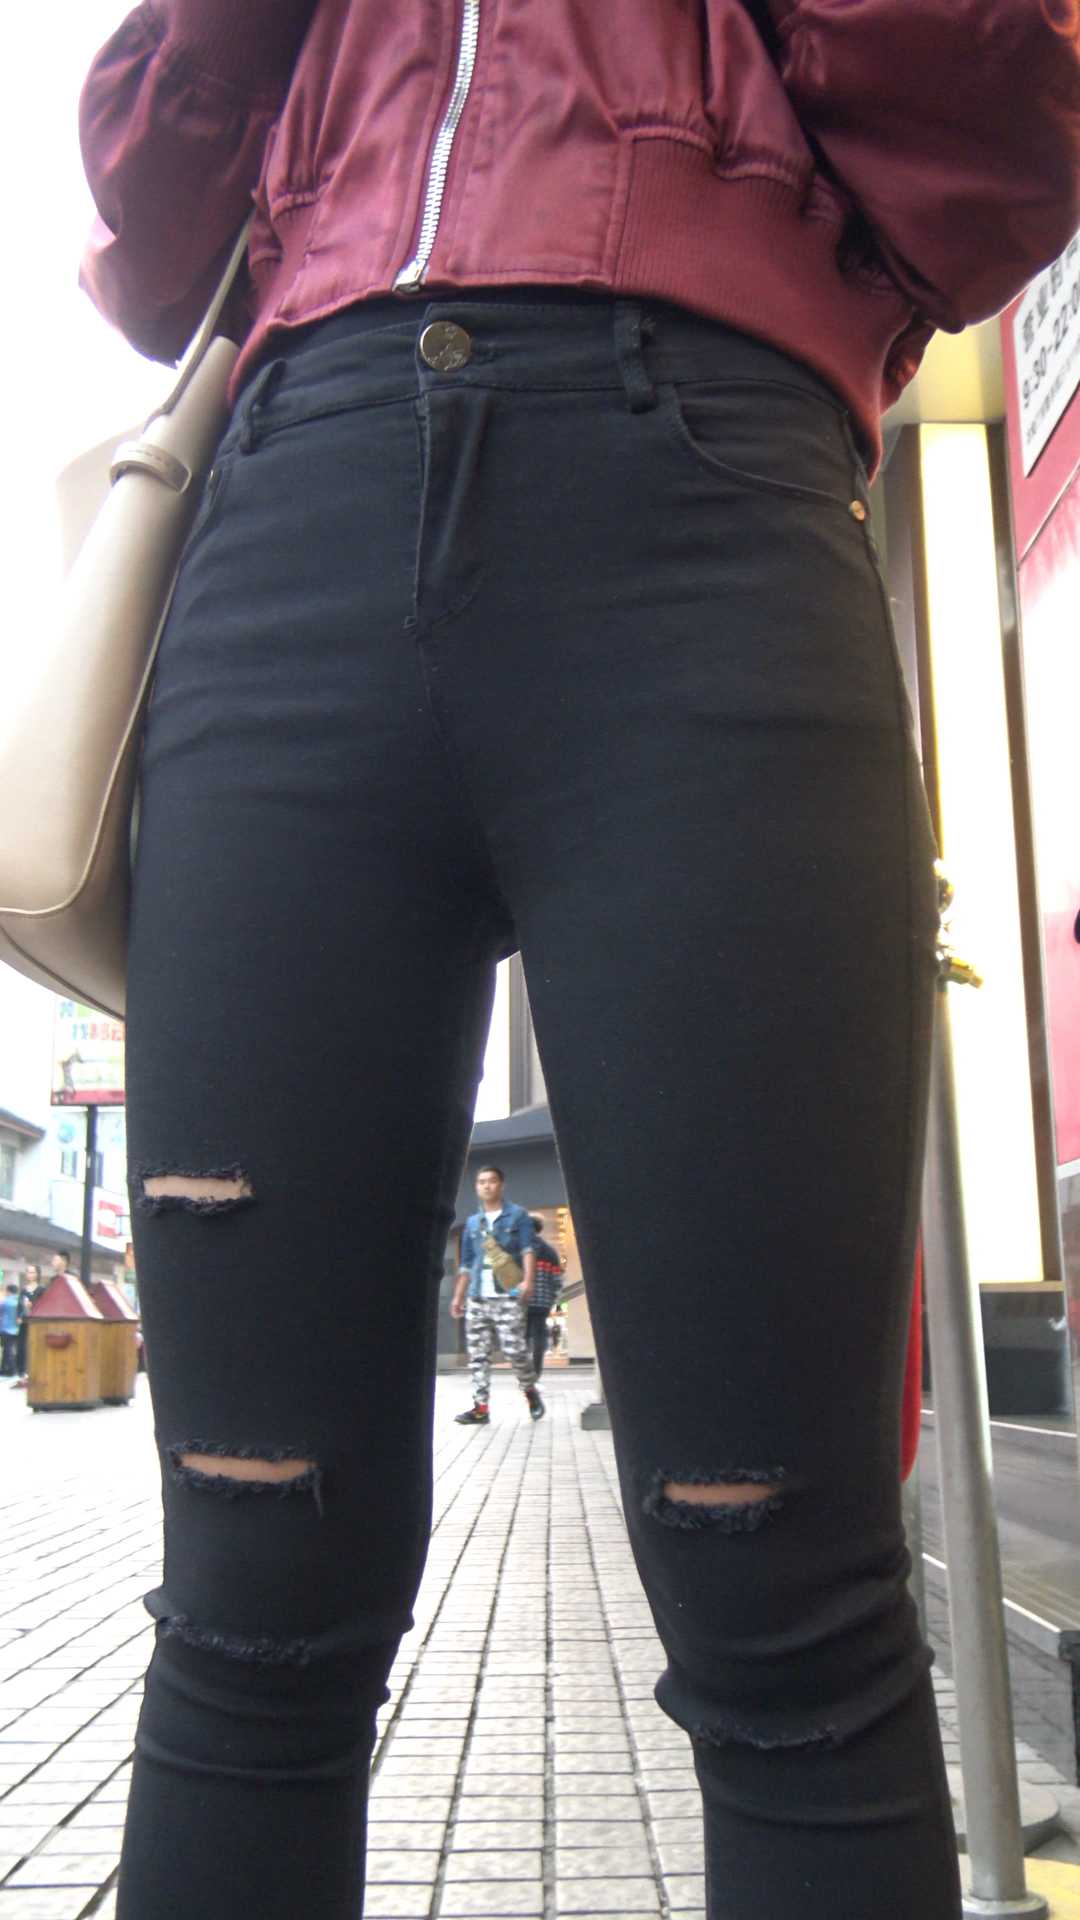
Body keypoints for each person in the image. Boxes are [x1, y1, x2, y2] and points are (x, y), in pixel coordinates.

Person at [75, 5, 1080, 1917]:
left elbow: (999, 153)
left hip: (705, 493)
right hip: (292, 522)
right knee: (249, 1595)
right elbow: (146, 220)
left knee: (790, 1603)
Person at [450, 1166, 544, 1425]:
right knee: (478, 1355)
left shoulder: (518, 1216)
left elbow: (527, 1249)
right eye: (481, 1182)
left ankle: (530, 1390)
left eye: (492, 1181)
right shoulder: (473, 1223)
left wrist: (528, 1281)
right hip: (477, 1297)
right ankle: (480, 1408)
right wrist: (458, 1296)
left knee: (515, 1350)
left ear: (501, 1185)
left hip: (508, 1295)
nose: (486, 1186)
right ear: (476, 1187)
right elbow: (466, 1263)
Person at [525, 1215, 564, 1379]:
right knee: (539, 1336)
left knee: (522, 1337)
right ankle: (536, 1372)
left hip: (523, 1301)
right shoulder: (550, 1252)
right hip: (543, 1303)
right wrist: (552, 1299)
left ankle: (524, 1371)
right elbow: (557, 1280)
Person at [0, 1285, 19, 1378]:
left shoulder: (5, 1302)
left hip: (6, 1329)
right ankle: (4, 1369)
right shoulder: (19, 1301)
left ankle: (12, 1369)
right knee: (8, 1349)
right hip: (17, 1329)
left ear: (8, 1291)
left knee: (7, 1350)